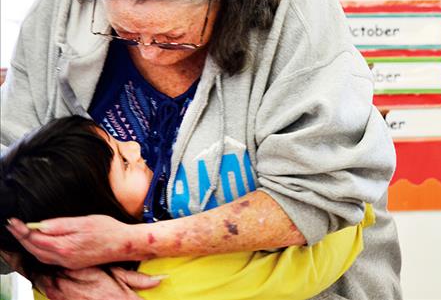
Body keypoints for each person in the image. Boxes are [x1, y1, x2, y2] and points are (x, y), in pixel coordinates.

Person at [0, 0, 402, 299]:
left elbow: (322, 200)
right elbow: (9, 189)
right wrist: (53, 273)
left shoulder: (290, 7)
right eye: (122, 32)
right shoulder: (63, 4)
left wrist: (128, 244)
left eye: (173, 38)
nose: (149, 52)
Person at [1, 116, 373, 300]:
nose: (133, 145)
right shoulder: (169, 277)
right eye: (123, 162)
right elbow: (306, 270)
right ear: (92, 216)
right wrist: (354, 205)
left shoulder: (49, 288)